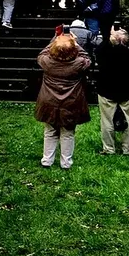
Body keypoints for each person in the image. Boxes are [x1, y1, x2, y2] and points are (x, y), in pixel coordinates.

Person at [33, 28, 91, 169]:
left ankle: (47, 160)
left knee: (50, 131)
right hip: (71, 101)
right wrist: (75, 43)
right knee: (68, 133)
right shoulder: (78, 63)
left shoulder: (46, 61)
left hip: (49, 101)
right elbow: (87, 58)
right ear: (73, 50)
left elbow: (43, 53)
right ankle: (66, 163)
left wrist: (56, 38)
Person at [93, 20, 129, 156]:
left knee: (106, 120)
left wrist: (109, 38)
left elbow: (98, 52)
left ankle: (109, 149)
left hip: (107, 89)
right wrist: (126, 39)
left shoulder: (106, 51)